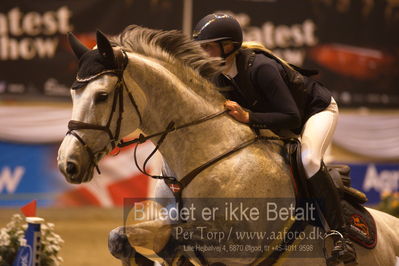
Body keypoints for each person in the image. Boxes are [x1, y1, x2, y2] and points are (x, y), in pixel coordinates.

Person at [193, 13, 356, 263]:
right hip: (280, 119)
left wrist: (248, 117)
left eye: (208, 47)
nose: (203, 53)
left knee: (309, 159)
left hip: (315, 111)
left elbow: (291, 117)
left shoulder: (260, 67)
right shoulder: (218, 75)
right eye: (201, 47)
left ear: (228, 46)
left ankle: (340, 234)